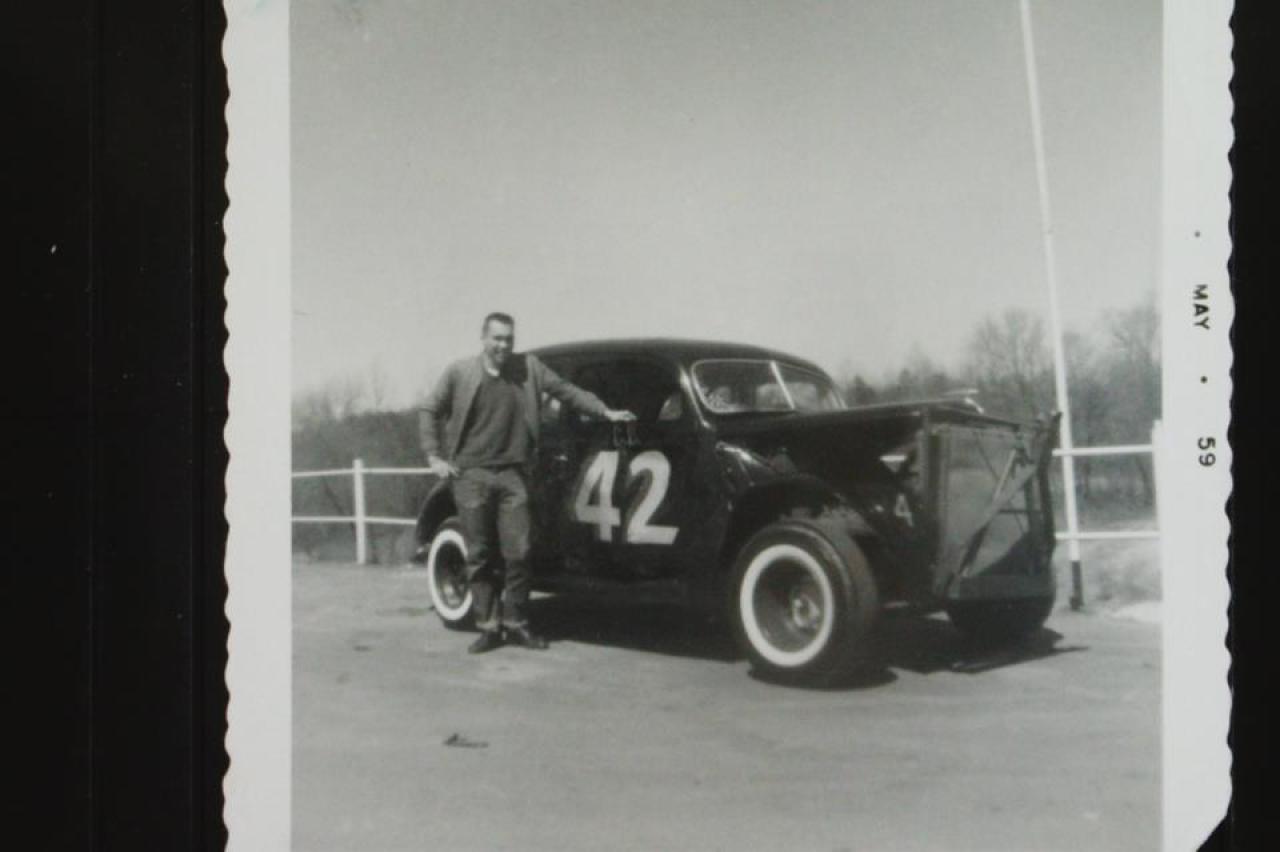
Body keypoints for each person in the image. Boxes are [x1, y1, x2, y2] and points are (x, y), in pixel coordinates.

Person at [419, 312, 635, 653]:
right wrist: (434, 456)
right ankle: (488, 627)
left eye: (509, 338)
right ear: (483, 339)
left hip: (514, 474)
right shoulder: (460, 372)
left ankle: (516, 623)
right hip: (471, 475)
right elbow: (430, 409)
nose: (503, 345)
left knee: (519, 553)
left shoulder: (529, 368)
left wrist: (604, 411)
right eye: (497, 338)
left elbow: (566, 391)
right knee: (479, 554)